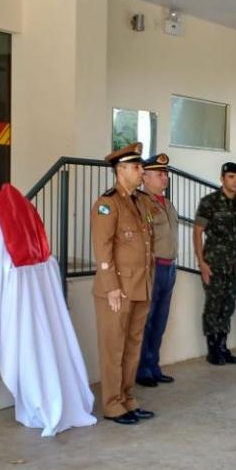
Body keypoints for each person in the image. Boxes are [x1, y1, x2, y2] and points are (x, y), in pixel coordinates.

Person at [91, 142, 155, 425]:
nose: (142, 171)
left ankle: (127, 398)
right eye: (137, 167)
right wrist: (111, 287)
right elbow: (102, 249)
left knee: (132, 347)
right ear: (121, 170)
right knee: (114, 348)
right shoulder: (108, 204)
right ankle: (112, 404)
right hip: (117, 289)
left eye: (141, 167)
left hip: (140, 286)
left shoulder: (140, 201)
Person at [194, 162, 236, 366]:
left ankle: (223, 346)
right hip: (214, 262)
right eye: (231, 177)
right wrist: (201, 262)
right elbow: (198, 231)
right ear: (222, 178)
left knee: (228, 305)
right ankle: (213, 349)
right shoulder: (210, 202)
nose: (235, 181)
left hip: (234, 263)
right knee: (214, 305)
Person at [136, 153, 178, 387]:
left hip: (170, 268)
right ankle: (142, 369)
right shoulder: (142, 204)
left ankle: (154, 365)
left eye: (166, 174)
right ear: (145, 178)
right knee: (147, 320)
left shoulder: (166, 203)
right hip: (153, 268)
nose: (165, 178)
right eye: (159, 174)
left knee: (160, 321)